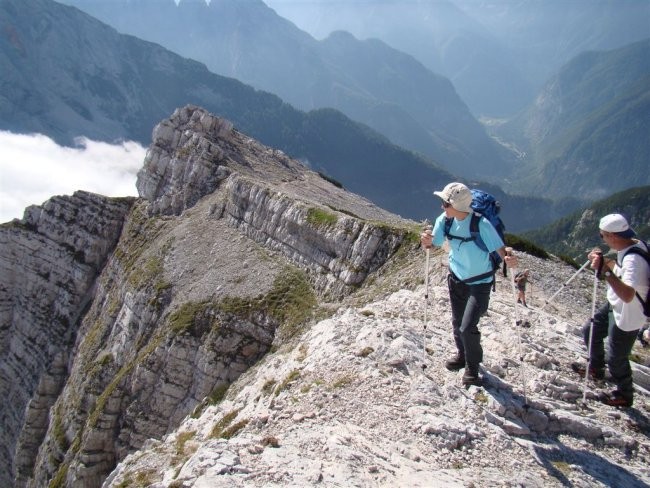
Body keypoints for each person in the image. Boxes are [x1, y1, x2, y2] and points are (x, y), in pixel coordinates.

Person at [421, 182, 517, 386]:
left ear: (457, 205)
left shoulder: (481, 224)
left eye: (445, 203)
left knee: (467, 326)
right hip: (456, 277)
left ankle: (472, 367)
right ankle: (462, 355)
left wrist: (510, 261)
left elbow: (500, 250)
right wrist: (426, 241)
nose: (442, 207)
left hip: (480, 282)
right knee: (457, 323)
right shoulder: (444, 221)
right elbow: (433, 244)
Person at [572, 214, 649, 407]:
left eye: (602, 235)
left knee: (616, 356)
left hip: (630, 313)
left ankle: (624, 394)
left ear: (612, 235)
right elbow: (620, 269)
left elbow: (628, 294)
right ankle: (596, 367)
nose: (602, 239)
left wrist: (604, 270)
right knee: (590, 329)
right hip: (614, 305)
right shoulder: (634, 245)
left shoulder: (633, 260)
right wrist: (605, 262)